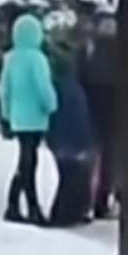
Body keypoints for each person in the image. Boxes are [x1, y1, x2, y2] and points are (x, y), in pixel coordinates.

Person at [0, 13, 58, 225]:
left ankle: (14, 204)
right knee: (29, 162)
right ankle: (30, 207)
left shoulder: (10, 58)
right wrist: (52, 105)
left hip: (17, 117)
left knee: (26, 160)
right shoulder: (37, 59)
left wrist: (6, 113)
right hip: (35, 117)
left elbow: (3, 89)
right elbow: (44, 87)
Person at [45, 47, 96, 228]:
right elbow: (80, 121)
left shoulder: (56, 88)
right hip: (74, 143)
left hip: (60, 142)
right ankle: (64, 215)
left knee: (67, 178)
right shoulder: (75, 90)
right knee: (72, 179)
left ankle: (65, 213)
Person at [78, 7, 118, 220]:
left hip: (91, 109)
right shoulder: (121, 51)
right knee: (110, 158)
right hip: (113, 111)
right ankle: (103, 200)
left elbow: (81, 77)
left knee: (92, 157)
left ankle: (87, 199)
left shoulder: (89, 50)